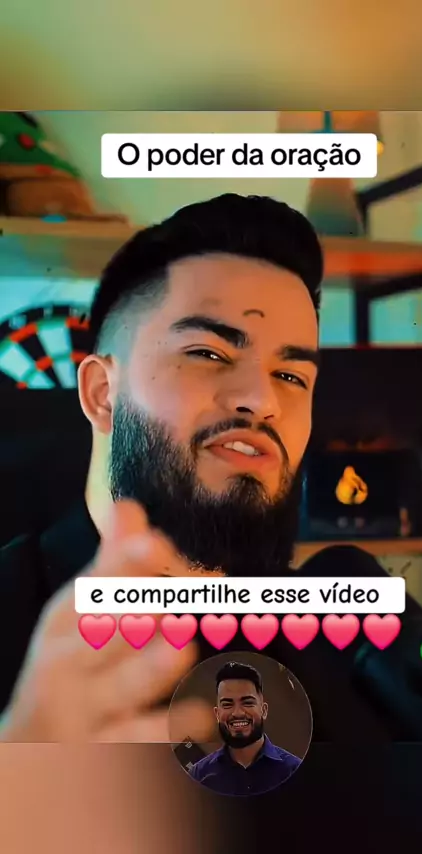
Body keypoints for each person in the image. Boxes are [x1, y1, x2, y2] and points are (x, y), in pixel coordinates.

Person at [0, 193, 322, 741]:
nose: (262, 400)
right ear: (102, 393)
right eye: (209, 354)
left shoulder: (338, 643)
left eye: (292, 377)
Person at [189, 661, 301, 796]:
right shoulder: (199, 774)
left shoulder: (293, 769)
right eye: (227, 704)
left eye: (247, 703)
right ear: (217, 714)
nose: (238, 713)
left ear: (264, 710)